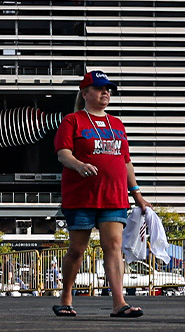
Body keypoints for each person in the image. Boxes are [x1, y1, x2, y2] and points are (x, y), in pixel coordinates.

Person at [53, 70, 152, 318]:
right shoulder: (73, 121)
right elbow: (63, 153)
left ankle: (119, 303)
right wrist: (79, 165)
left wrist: (137, 194)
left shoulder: (116, 124)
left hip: (114, 196)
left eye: (108, 89)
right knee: (77, 249)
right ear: (85, 93)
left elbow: (126, 162)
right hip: (81, 197)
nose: (105, 92)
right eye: (99, 88)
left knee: (114, 246)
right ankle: (66, 296)